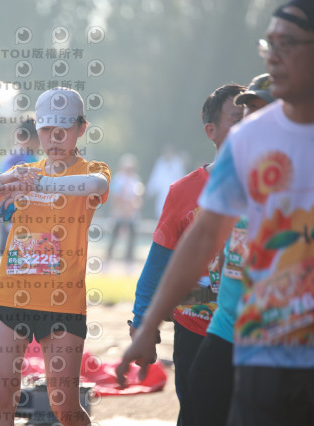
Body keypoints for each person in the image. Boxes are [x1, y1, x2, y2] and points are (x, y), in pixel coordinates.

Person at [117, 2, 314, 425]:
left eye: (288, 44)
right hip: (247, 341)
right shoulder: (249, 141)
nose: (272, 57)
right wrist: (146, 325)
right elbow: (201, 238)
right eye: (269, 45)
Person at [0, 87, 110, 426]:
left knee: (64, 406)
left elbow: (96, 187)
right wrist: (1, 180)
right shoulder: (23, 172)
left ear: (81, 128)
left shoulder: (92, 170)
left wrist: (40, 184)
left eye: (63, 129)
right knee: (1, 398)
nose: (54, 138)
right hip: (9, 296)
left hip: (63, 303)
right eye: (46, 129)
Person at [128, 83, 245, 426]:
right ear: (211, 131)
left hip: (256, 330)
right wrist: (141, 323)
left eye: (252, 117)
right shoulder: (183, 191)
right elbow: (158, 261)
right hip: (196, 328)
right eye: (236, 118)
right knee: (197, 415)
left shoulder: (275, 182)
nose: (247, 125)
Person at [185, 73, 275, 426]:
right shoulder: (237, 166)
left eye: (261, 108)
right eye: (247, 109)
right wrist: (146, 319)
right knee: (199, 399)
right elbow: (209, 238)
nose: (251, 117)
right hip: (226, 326)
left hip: (277, 333)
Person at [0, 119, 40, 252]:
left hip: (13, 209)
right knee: (15, 248)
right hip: (14, 210)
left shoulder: (17, 156)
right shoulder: (21, 158)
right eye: (39, 139)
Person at [106, 153, 144, 264]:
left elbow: (138, 196)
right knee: (114, 235)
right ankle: (109, 257)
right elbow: (115, 196)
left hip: (131, 213)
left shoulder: (136, 179)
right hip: (119, 211)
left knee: (132, 236)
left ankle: (129, 259)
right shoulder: (118, 179)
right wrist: (124, 205)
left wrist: (133, 205)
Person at [146, 145, 186, 219]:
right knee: (161, 214)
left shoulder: (178, 163)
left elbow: (182, 179)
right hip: (162, 195)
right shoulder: (160, 163)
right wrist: (150, 190)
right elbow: (156, 178)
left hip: (174, 194)